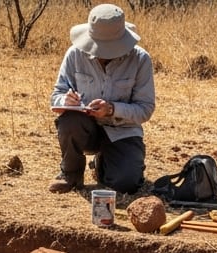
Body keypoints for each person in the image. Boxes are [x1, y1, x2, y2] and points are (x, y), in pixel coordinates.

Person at [48, 4, 155, 194]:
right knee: (69, 121)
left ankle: (104, 164)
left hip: (123, 131)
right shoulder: (75, 54)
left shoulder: (141, 59)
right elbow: (56, 96)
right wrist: (65, 101)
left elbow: (145, 109)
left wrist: (112, 109)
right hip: (85, 128)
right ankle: (71, 174)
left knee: (126, 184)